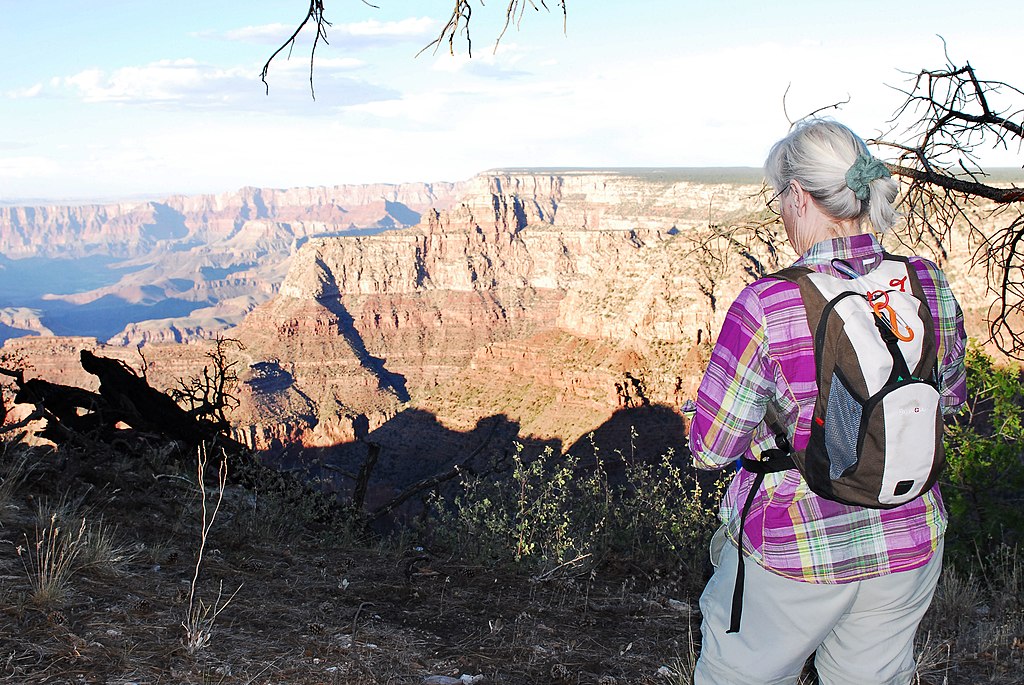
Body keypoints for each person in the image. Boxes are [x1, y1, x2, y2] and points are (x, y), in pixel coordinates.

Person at [688, 119, 967, 685]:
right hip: (909, 537)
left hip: (796, 548)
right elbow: (951, 402)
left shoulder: (769, 302)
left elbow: (711, 448)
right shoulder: (927, 283)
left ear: (797, 196)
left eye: (780, 200)